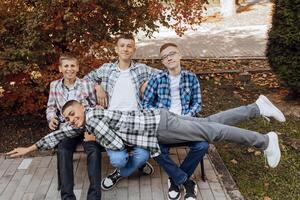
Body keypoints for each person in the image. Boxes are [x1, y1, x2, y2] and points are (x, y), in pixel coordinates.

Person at [8, 94, 285, 176]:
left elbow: (116, 143)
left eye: (73, 114)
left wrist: (93, 137)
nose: (71, 120)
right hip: (159, 122)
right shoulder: (86, 120)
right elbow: (56, 136)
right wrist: (30, 148)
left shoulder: (92, 118)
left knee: (213, 132)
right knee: (210, 123)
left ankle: (264, 141)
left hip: (159, 127)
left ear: (81, 106)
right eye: (68, 118)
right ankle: (256, 107)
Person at [83, 33, 160, 190]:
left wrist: (148, 84)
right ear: (116, 49)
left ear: (134, 50)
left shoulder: (142, 69)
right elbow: (85, 80)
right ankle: (129, 167)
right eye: (122, 46)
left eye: (129, 46)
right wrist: (97, 87)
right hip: (113, 123)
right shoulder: (106, 69)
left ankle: (119, 174)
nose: (125, 49)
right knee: (118, 160)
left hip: (136, 121)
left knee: (143, 156)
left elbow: (163, 77)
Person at [142, 42, 208, 200]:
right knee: (156, 148)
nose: (169, 58)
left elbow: (197, 103)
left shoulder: (191, 78)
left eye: (172, 54)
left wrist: (188, 116)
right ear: (162, 62)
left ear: (179, 55)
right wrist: (160, 115)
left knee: (202, 145)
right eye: (165, 56)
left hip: (186, 123)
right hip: (164, 125)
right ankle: (186, 182)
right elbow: (145, 104)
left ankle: (175, 178)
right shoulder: (157, 79)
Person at [45, 55, 102, 200]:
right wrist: (52, 118)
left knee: (94, 151)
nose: (69, 69)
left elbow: (97, 106)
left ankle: (94, 196)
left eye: (72, 66)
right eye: (66, 66)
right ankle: (67, 196)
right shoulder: (54, 85)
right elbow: (51, 107)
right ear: (60, 69)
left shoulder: (87, 84)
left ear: (77, 68)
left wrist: (90, 119)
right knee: (63, 150)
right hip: (67, 127)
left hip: (86, 127)